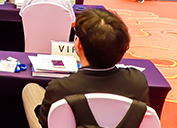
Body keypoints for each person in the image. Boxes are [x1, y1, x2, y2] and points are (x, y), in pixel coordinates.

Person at [21, 8, 149, 128]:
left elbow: (46, 122)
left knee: (30, 90)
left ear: (78, 44)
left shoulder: (60, 88)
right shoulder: (138, 81)